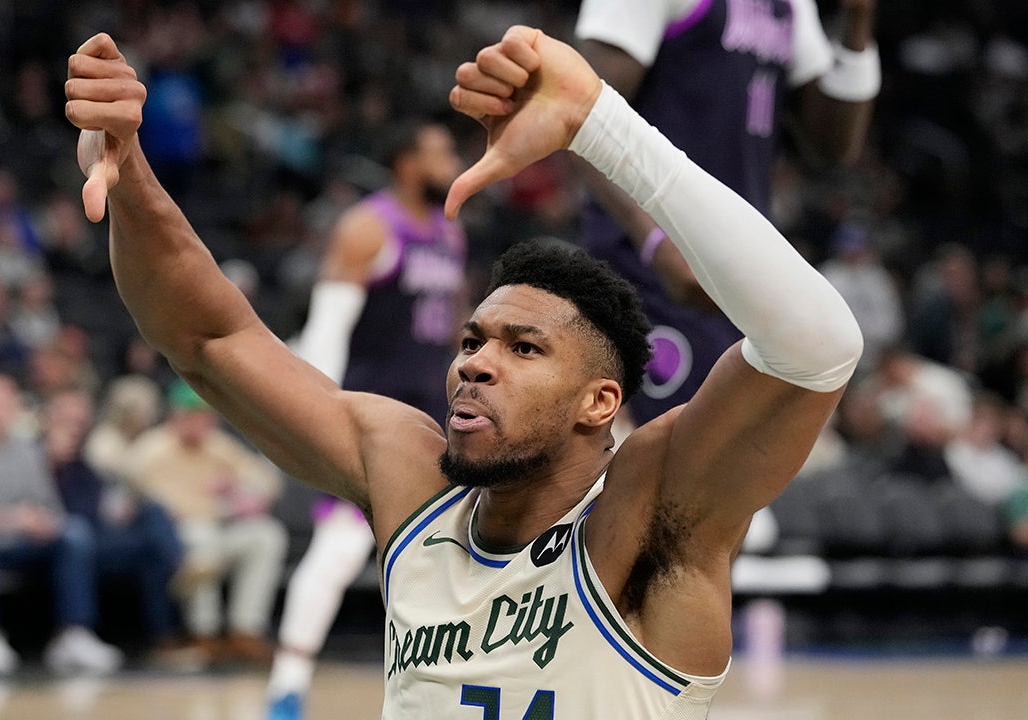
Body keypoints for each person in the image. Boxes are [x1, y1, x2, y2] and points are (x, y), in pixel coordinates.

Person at [65, 26, 861, 719]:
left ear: (600, 402)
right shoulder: (410, 477)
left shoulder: (650, 514)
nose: (475, 363)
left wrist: (600, 127)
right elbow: (207, 338)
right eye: (474, 340)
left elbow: (817, 345)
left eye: (523, 348)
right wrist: (129, 170)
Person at [574, 0, 878, 426]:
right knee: (655, 458)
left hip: (736, 267)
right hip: (649, 262)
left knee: (720, 468)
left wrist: (857, 21)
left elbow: (833, 146)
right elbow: (578, 114)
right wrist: (657, 243)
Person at [269, 119, 467, 719]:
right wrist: (317, 415)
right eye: (441, 153)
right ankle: (285, 688)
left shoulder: (448, 232)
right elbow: (326, 334)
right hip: (373, 421)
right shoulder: (367, 228)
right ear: (407, 163)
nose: (454, 163)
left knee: (445, 558)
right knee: (337, 553)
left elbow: (455, 323)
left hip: (436, 419)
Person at [0, 373, 123, 676]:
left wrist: (43, 521)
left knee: (74, 533)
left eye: (5, 404)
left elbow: (48, 505)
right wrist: (11, 519)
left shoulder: (29, 450)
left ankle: (73, 633)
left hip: (24, 540)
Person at [123, 379, 287, 665]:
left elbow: (268, 480)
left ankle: (245, 630)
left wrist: (241, 489)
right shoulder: (152, 450)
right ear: (175, 416)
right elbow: (162, 507)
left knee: (267, 535)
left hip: (218, 527)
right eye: (191, 415)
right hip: (177, 540)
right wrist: (222, 505)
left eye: (205, 416)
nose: (199, 423)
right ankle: (204, 632)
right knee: (201, 536)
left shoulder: (216, 445)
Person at [42, 386, 187, 660]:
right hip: (62, 538)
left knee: (151, 525)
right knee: (78, 535)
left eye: (79, 417)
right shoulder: (37, 452)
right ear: (50, 418)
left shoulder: (83, 457)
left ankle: (164, 638)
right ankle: (182, 564)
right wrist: (52, 461)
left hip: (98, 532)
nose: (75, 424)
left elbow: (98, 501)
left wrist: (119, 508)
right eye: (68, 418)